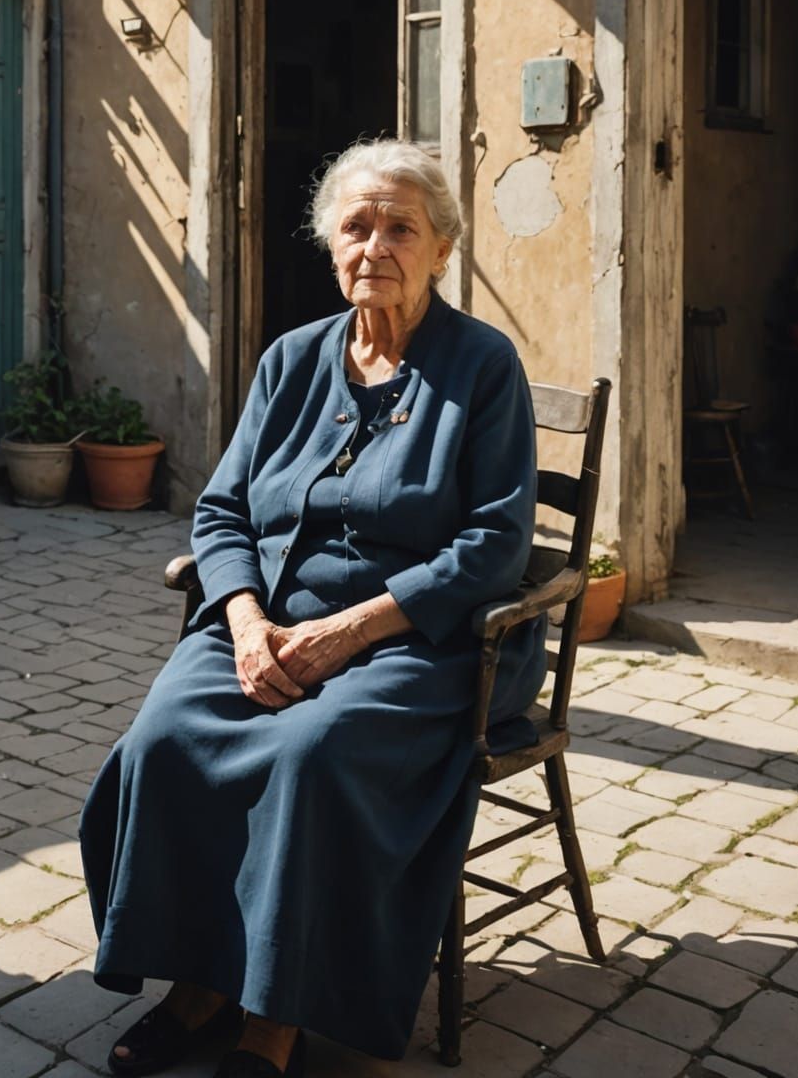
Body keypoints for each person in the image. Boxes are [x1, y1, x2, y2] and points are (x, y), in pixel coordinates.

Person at [79, 138, 544, 1076]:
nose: (375, 246)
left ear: (443, 249)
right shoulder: (292, 360)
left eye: (400, 228)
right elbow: (221, 510)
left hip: (424, 640)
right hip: (272, 622)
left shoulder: (483, 366)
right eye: (356, 226)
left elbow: (496, 543)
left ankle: (271, 1021)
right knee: (162, 740)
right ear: (331, 244)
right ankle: (199, 984)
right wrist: (247, 624)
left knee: (307, 756)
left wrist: (349, 631)